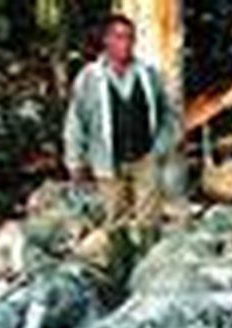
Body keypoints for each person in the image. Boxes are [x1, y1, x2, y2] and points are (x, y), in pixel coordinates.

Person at [63, 14, 179, 233]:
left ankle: (150, 252)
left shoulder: (148, 74)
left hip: (145, 156)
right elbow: (76, 122)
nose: (125, 43)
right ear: (106, 40)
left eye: (129, 37)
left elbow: (168, 114)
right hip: (107, 159)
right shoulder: (89, 78)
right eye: (118, 37)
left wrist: (162, 147)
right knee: (115, 221)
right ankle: (120, 254)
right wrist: (75, 160)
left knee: (150, 220)